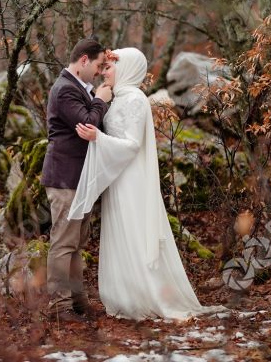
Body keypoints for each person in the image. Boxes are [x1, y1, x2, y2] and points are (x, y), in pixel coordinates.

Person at [68, 47, 227, 321]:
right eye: (104, 67)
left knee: (133, 229)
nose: (104, 71)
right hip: (118, 177)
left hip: (131, 178)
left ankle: (146, 293)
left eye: (110, 67)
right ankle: (125, 293)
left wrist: (99, 139)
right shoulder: (117, 98)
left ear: (127, 68)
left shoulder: (135, 100)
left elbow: (132, 144)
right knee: (120, 230)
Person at [41, 38, 114, 322]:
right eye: (97, 65)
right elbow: (88, 123)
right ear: (83, 60)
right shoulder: (64, 90)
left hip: (79, 179)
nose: (98, 71)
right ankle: (59, 309)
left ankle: (78, 302)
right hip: (65, 179)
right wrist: (101, 100)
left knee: (76, 243)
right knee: (63, 243)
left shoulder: (79, 87)